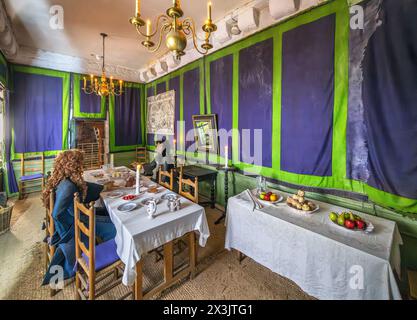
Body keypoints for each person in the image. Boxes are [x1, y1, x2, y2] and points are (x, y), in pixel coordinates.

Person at [41, 150, 116, 286]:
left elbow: (86, 188)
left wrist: (103, 187)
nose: (82, 165)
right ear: (74, 165)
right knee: (116, 227)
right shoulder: (68, 187)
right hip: (75, 226)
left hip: (78, 218)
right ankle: (120, 252)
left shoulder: (64, 181)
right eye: (80, 163)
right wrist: (75, 225)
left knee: (106, 213)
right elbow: (57, 214)